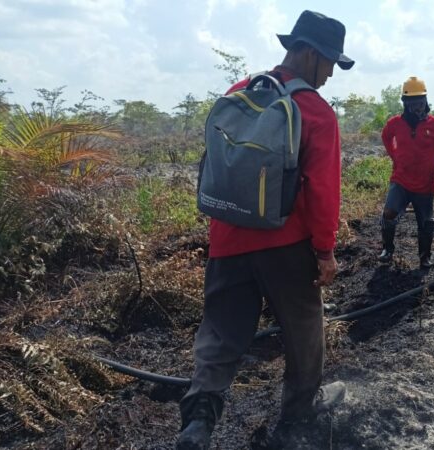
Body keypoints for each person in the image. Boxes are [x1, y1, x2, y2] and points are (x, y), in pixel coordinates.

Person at [176, 10, 353, 450]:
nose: (331, 72)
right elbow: (323, 192)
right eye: (330, 61)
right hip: (286, 245)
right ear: (309, 54)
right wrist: (325, 251)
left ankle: (198, 421)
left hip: (227, 239)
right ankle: (297, 414)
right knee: (305, 329)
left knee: (220, 332)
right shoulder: (315, 112)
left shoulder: (238, 92)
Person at [378, 76, 434, 269]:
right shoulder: (395, 123)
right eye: (412, 101)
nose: (416, 105)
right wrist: (394, 156)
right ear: (405, 102)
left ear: (425, 100)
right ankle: (387, 249)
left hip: (425, 185)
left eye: (420, 100)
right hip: (400, 181)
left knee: (426, 223)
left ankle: (425, 257)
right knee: (389, 213)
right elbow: (386, 136)